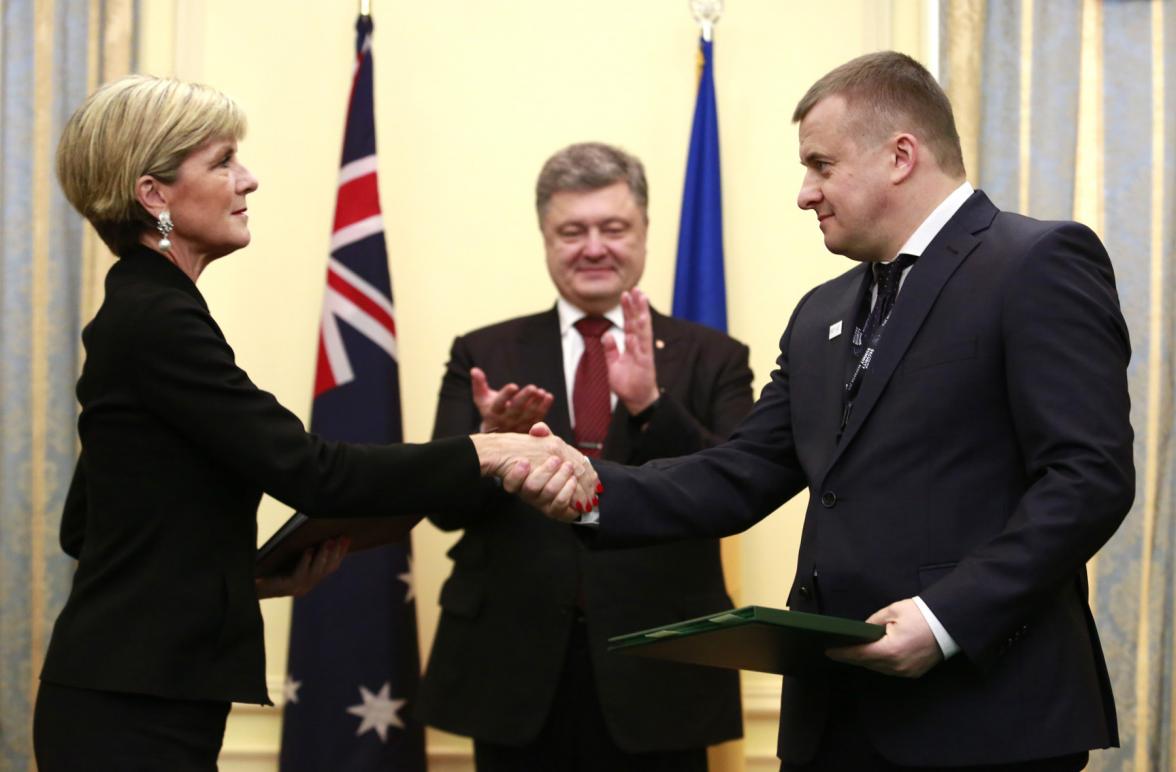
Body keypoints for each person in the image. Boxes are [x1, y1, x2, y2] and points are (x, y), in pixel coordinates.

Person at [528, 52, 1135, 770]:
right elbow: (741, 471)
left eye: (820, 164)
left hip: (984, 716)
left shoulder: (1035, 261)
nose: (804, 193)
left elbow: (1087, 478)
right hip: (833, 722)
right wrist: (589, 489)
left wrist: (945, 619)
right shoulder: (821, 312)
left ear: (900, 156)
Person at [34, 74, 595, 772]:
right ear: (154, 196)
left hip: (132, 694)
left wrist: (252, 580)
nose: (250, 179)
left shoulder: (140, 308)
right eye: (223, 162)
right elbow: (312, 472)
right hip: (131, 710)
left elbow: (89, 527)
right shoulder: (159, 318)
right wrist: (488, 448)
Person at [416, 142, 751, 771]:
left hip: (661, 665)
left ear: (645, 232)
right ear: (546, 237)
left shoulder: (715, 357)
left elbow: (734, 491)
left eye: (613, 228)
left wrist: (652, 405)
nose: (593, 247)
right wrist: (485, 446)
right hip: (513, 668)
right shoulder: (483, 352)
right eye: (572, 231)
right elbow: (441, 509)